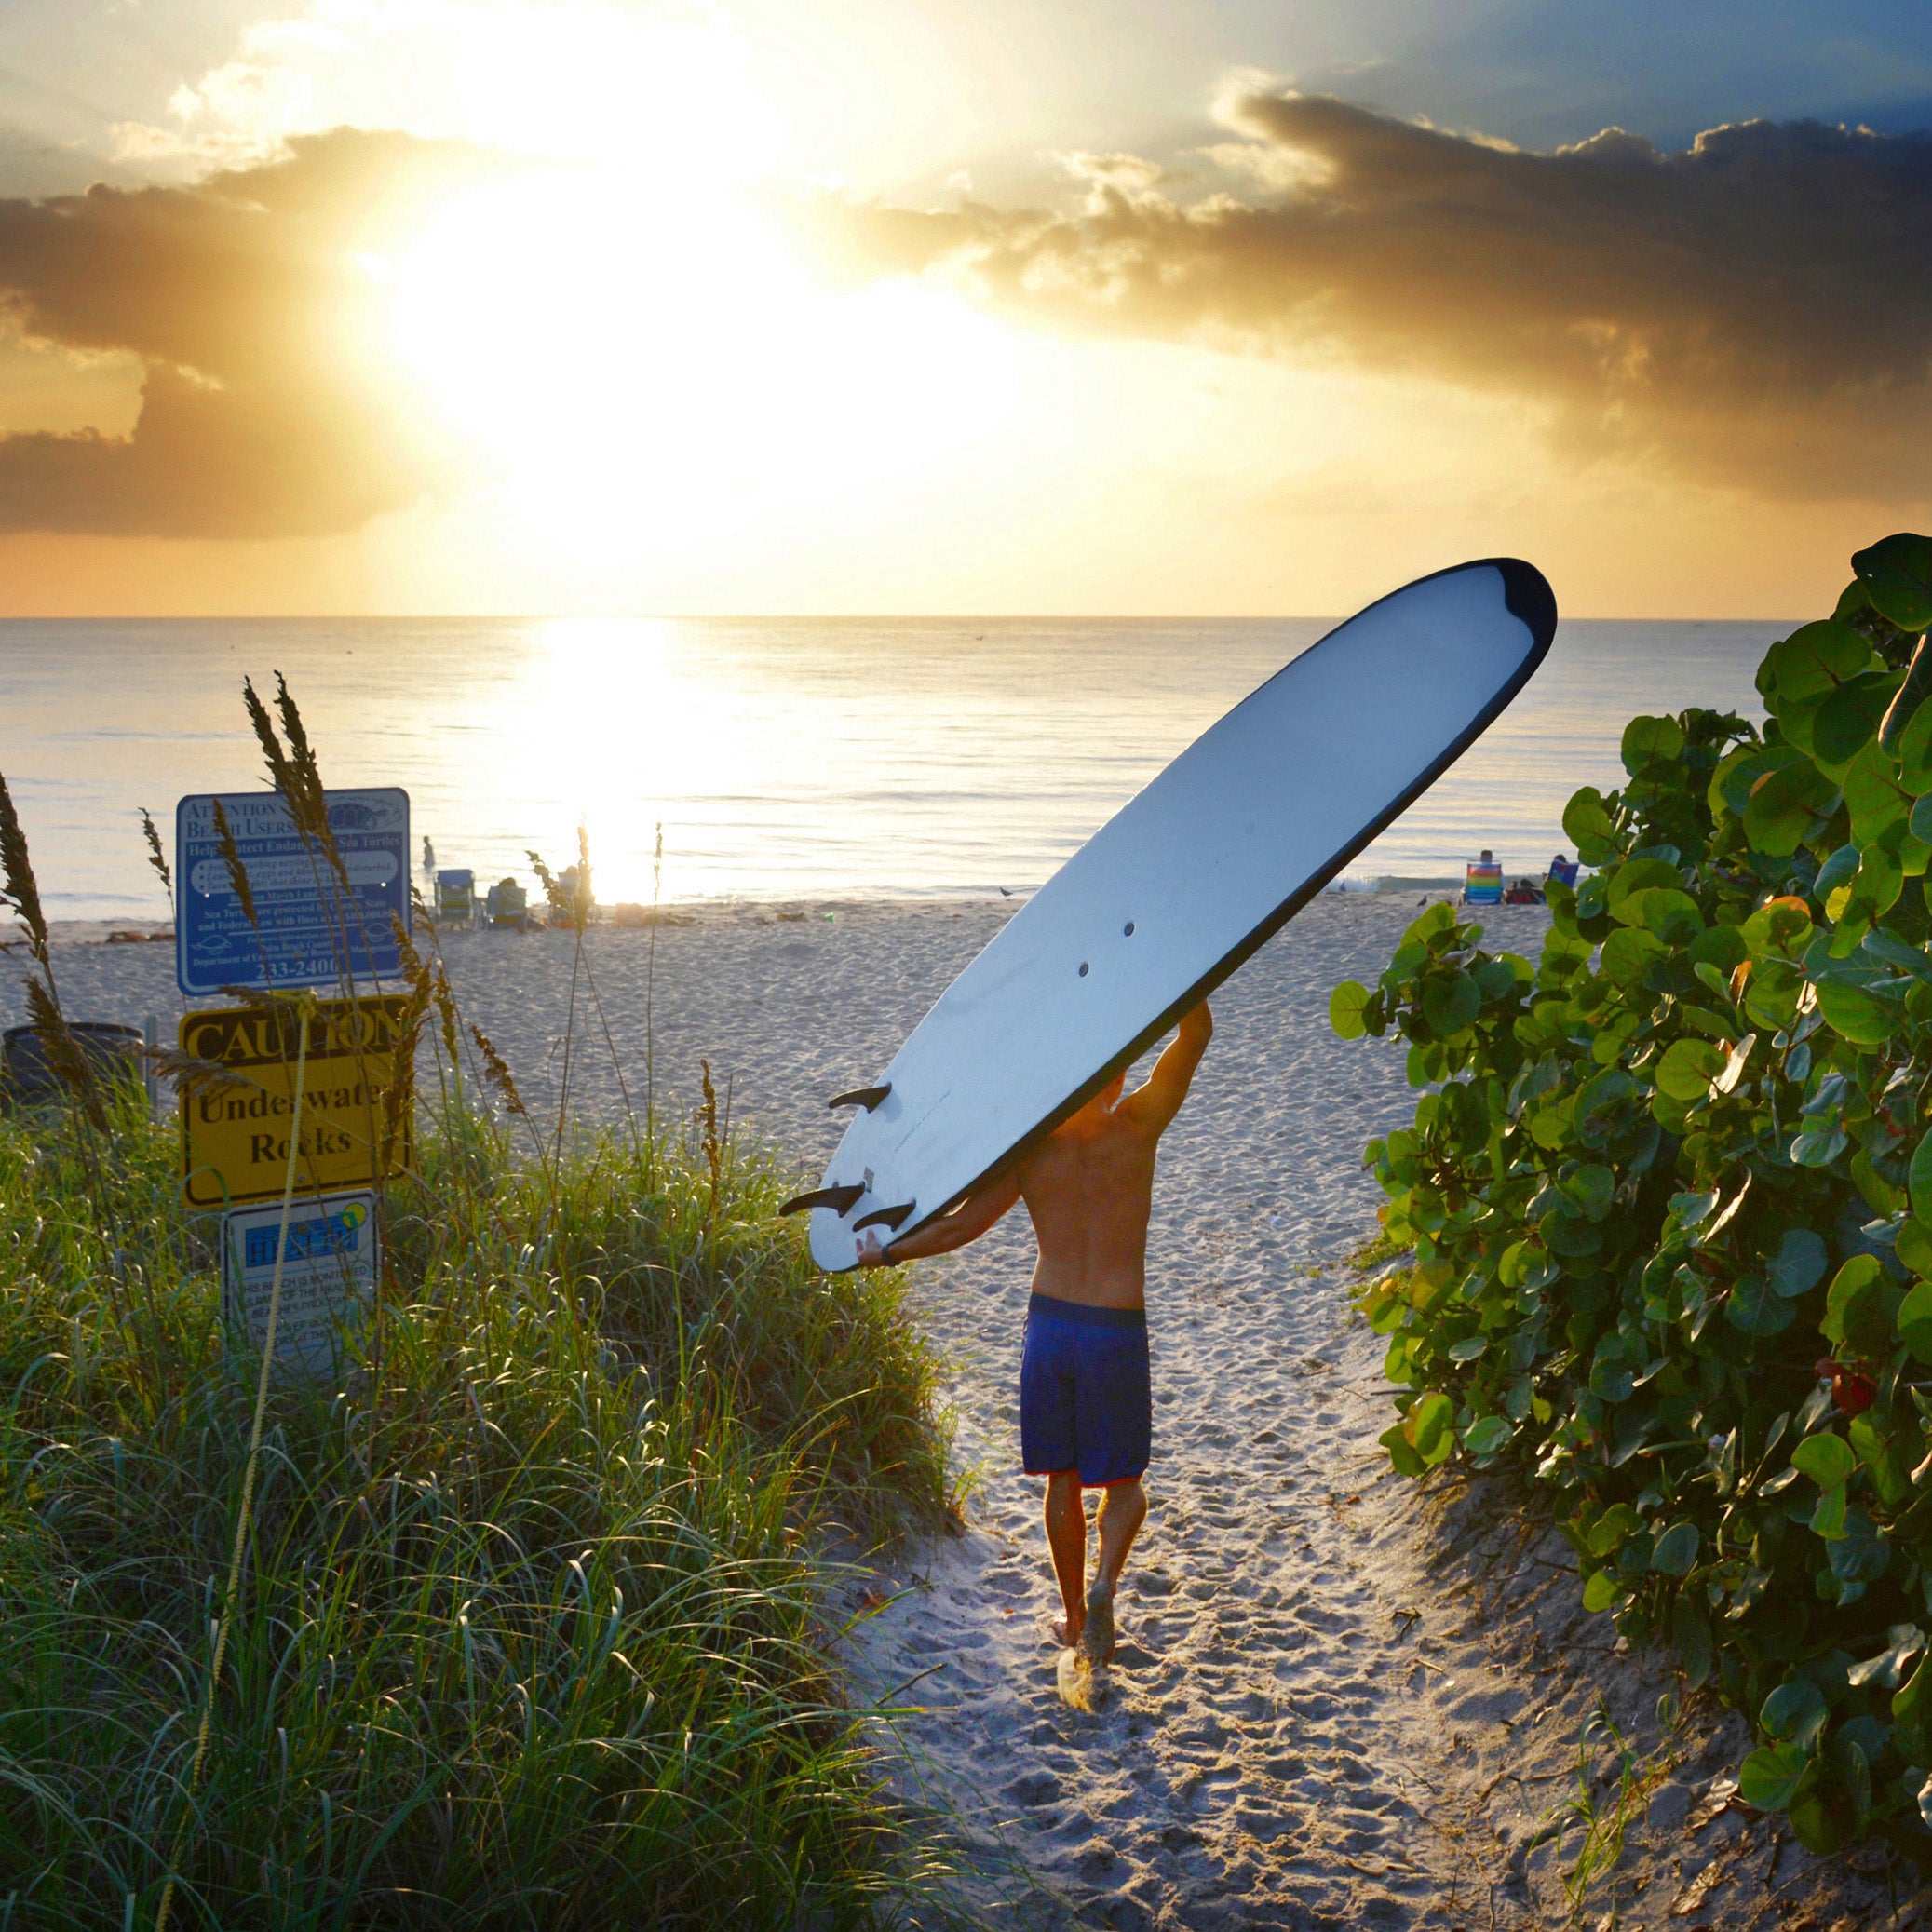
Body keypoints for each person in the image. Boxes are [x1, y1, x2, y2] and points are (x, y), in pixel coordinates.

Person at [856, 1002, 1214, 1667]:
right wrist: (1178, 979)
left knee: (1062, 1479)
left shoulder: (1030, 1148)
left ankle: (1075, 1617)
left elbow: (960, 1228)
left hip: (1050, 1326)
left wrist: (883, 1253)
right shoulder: (1138, 1123)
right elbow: (1197, 1032)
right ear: (1117, 1078)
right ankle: (1107, 1582)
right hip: (1114, 1325)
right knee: (1124, 1480)